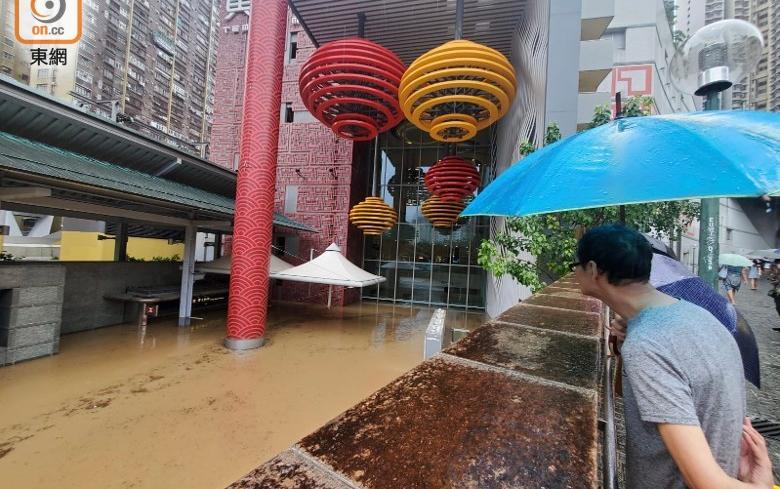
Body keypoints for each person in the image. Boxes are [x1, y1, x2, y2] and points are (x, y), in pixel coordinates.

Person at [571, 224, 775, 489]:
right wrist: (626, 341)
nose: (574, 272)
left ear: (594, 270)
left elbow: (707, 483)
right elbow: (626, 392)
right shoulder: (695, 313)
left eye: (575, 264)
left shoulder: (649, 343)